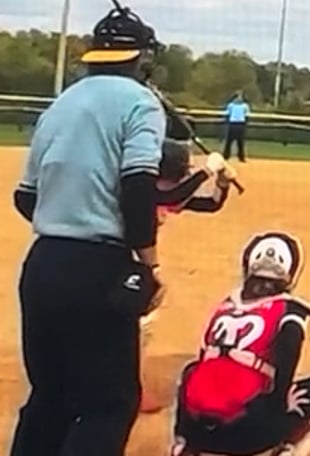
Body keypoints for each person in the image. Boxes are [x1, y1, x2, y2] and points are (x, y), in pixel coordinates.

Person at [8, 0, 170, 456]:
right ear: (142, 58)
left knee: (50, 398)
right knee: (109, 404)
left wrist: (67, 218)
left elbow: (25, 196)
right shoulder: (141, 103)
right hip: (97, 267)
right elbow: (137, 185)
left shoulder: (61, 104)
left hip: (43, 264)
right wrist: (148, 262)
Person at [170, 231, 310, 456]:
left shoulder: (224, 306)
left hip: (197, 430)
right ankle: (287, 450)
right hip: (248, 433)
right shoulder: (289, 310)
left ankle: (183, 444)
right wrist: (281, 400)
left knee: (192, 370)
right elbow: (289, 347)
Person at [136, 141, 241, 417]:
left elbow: (209, 204)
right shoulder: (144, 191)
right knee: (140, 323)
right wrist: (207, 170)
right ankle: (129, 389)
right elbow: (175, 195)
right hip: (117, 259)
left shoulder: (161, 193)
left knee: (139, 322)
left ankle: (125, 384)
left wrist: (221, 184)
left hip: (130, 261)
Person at [222, 92, 251, 162]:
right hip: (232, 124)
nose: (240, 99)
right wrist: (228, 123)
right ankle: (226, 156)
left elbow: (247, 115)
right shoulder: (231, 105)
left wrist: (244, 124)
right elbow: (227, 114)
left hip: (240, 124)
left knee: (240, 142)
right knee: (229, 141)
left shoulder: (245, 106)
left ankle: (241, 157)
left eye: (241, 97)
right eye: (238, 97)